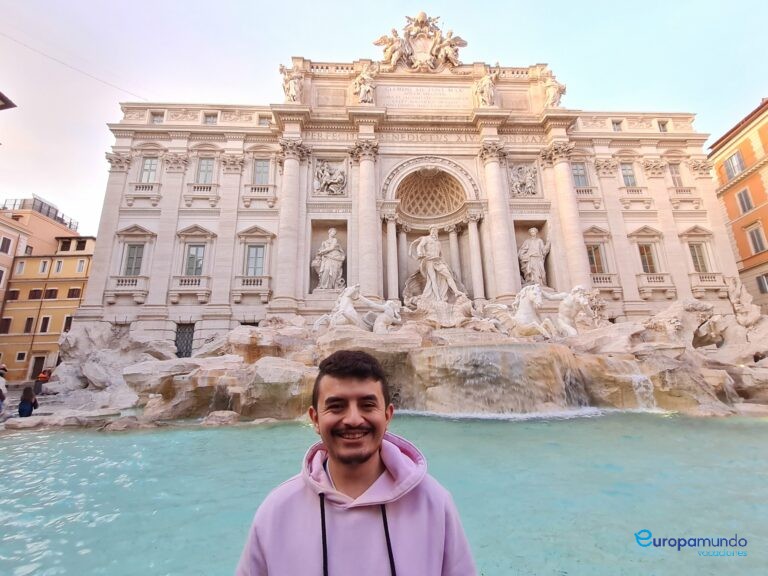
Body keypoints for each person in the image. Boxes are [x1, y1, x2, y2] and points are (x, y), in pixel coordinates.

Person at [236, 350, 476, 576]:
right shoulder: (276, 511)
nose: (352, 419)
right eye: (336, 406)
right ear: (315, 419)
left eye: (367, 405)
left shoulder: (434, 503)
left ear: (388, 415)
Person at [409, 226, 464, 303]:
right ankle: (438, 297)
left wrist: (444, 263)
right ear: (430, 231)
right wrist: (420, 253)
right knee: (432, 280)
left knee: (448, 275)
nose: (434, 231)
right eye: (433, 230)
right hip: (429, 261)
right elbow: (420, 246)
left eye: (436, 230)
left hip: (438, 261)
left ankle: (456, 291)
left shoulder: (438, 242)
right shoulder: (426, 238)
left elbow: (441, 254)